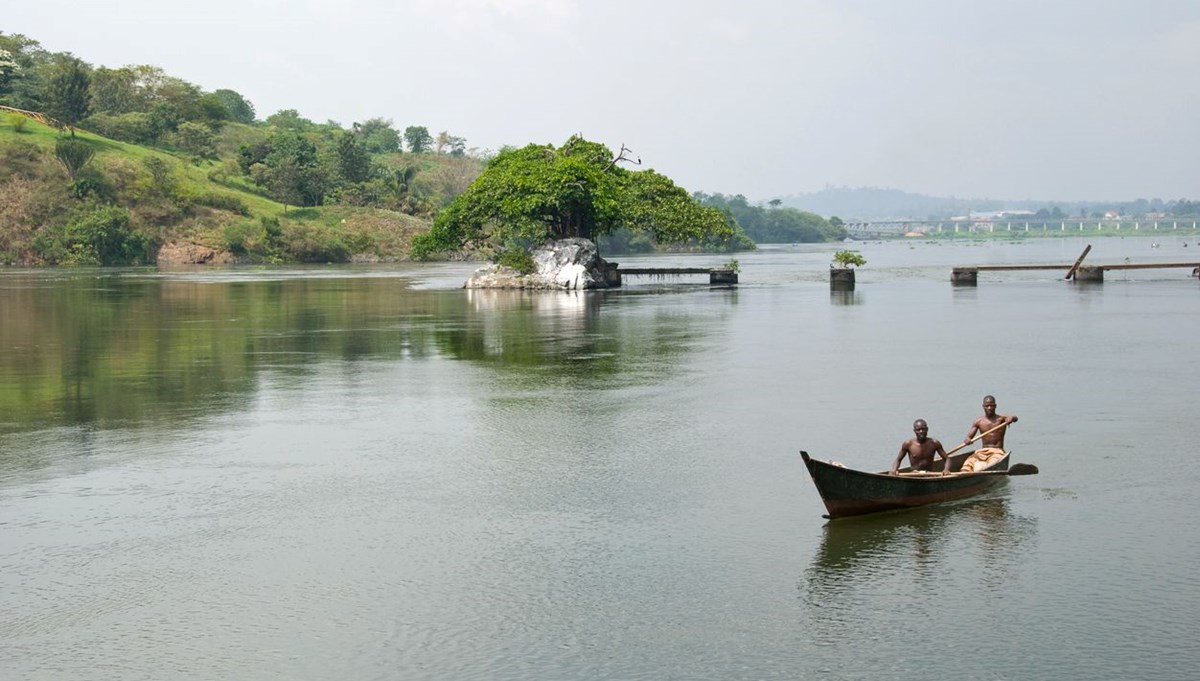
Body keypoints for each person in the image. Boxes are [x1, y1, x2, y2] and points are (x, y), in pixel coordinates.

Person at [959, 395, 1018, 472]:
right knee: (968, 462)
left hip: (997, 451)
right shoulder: (978, 421)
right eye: (987, 406)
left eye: (991, 405)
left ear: (995, 406)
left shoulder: (1002, 419)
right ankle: (964, 475)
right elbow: (969, 437)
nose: (989, 408)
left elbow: (1015, 418)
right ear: (983, 406)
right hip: (982, 452)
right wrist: (967, 440)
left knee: (992, 464)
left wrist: (1012, 418)